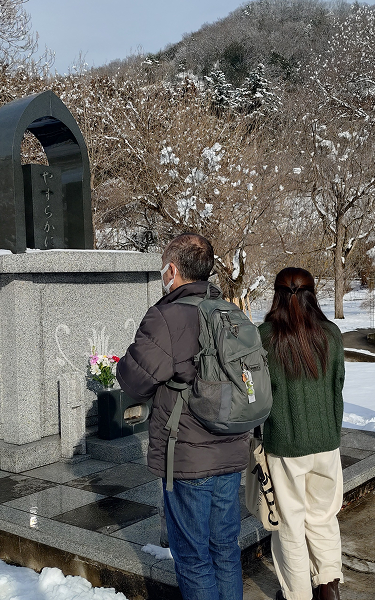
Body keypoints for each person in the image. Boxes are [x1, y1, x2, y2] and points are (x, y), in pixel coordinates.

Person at [117, 233, 249, 600]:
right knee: (225, 549)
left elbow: (135, 380)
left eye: (164, 267)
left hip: (189, 454)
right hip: (230, 445)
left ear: (172, 270)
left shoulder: (166, 316)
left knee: (192, 558)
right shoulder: (230, 311)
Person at [258, 267, 345, 600]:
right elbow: (337, 384)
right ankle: (329, 586)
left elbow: (258, 394)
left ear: (277, 295)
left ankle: (297, 594)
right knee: (323, 517)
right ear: (313, 294)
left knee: (290, 524)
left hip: (284, 444)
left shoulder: (265, 336)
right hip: (326, 441)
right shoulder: (331, 334)